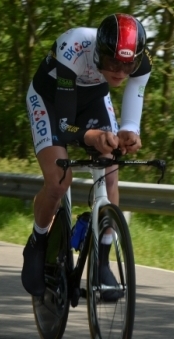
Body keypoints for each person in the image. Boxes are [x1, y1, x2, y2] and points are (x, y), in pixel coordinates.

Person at [21, 13, 152, 298]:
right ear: (98, 54)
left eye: (127, 65)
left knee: (110, 172)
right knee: (59, 180)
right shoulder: (74, 46)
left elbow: (134, 101)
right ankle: (38, 241)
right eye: (112, 63)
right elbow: (66, 126)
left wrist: (130, 131)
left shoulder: (142, 60)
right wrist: (90, 136)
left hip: (93, 98)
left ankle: (102, 262)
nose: (119, 71)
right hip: (51, 100)